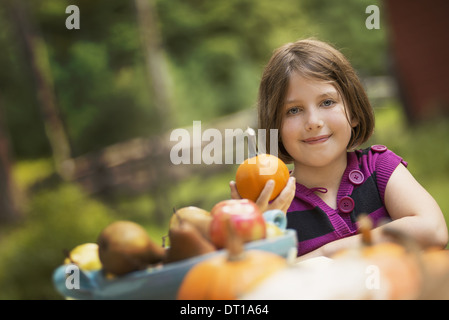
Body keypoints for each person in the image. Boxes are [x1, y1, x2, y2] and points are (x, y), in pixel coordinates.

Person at [229, 38, 448, 258]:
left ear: (352, 112)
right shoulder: (275, 206)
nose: (313, 121)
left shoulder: (379, 167)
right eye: (294, 110)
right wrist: (258, 228)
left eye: (327, 102)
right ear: (275, 126)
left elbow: (434, 230)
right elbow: (262, 280)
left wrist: (326, 253)